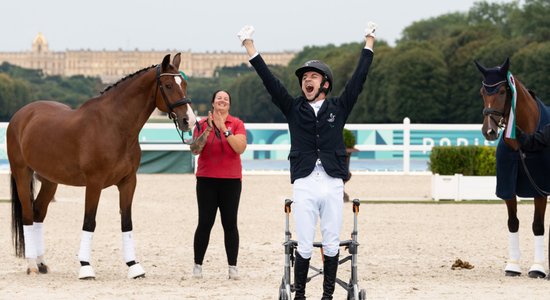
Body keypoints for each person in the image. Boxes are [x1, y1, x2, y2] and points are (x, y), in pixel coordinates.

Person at [237, 23, 376, 299]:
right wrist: (249, 47)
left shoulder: (339, 106)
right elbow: (269, 80)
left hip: (333, 180)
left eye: (312, 76)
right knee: (302, 245)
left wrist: (369, 42)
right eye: (304, 78)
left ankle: (327, 296)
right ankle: (300, 294)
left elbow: (359, 78)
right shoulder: (292, 108)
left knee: (332, 243)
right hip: (304, 181)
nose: (306, 81)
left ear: (325, 83)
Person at [189, 90, 247, 280]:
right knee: (205, 222)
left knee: (230, 223)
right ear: (212, 103)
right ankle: (197, 265)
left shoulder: (237, 124)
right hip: (206, 180)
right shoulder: (202, 124)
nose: (222, 101)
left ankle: (233, 267)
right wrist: (208, 129)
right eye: (219, 98)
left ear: (229, 105)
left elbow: (240, 147)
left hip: (231, 181)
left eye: (226, 99)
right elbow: (195, 149)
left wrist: (224, 128)